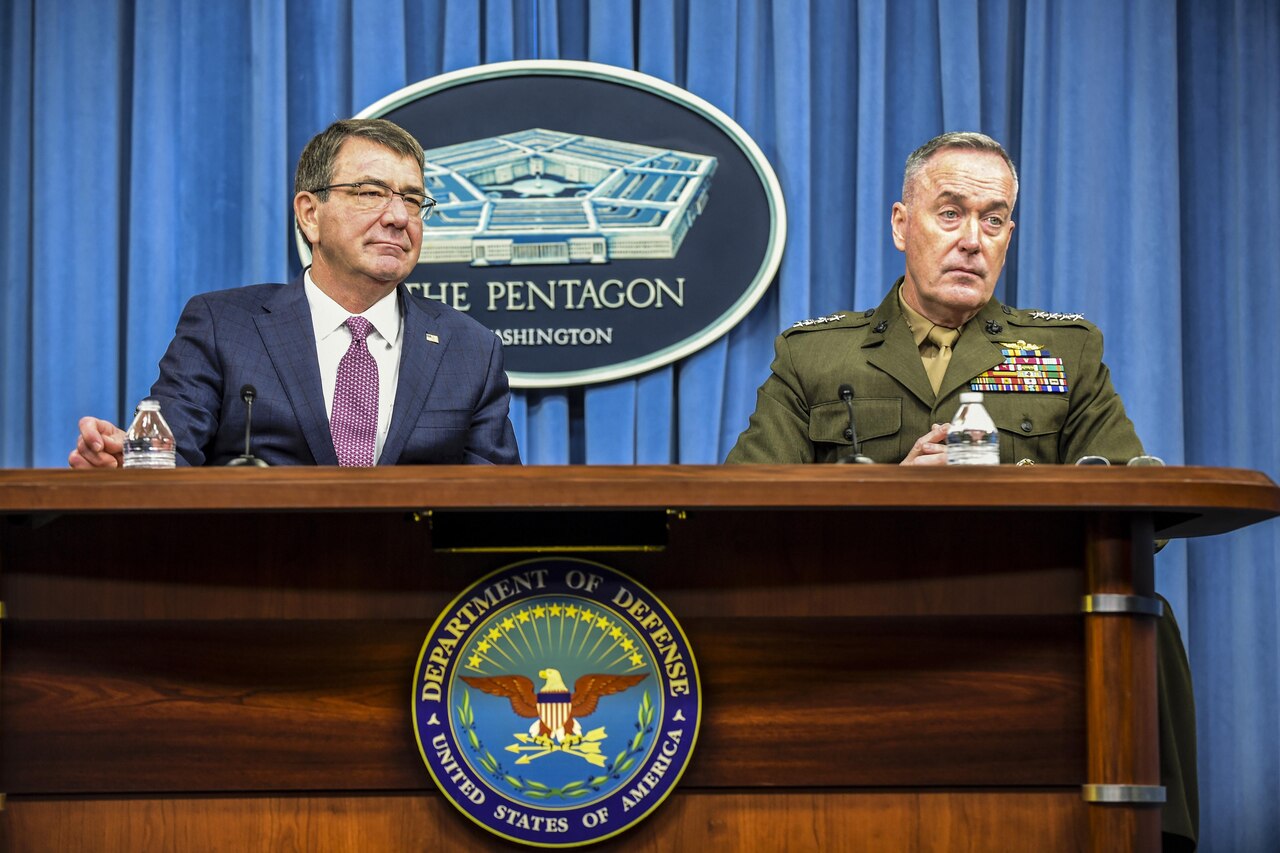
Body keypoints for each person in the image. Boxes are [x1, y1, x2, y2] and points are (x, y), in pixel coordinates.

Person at [727, 132, 1197, 851]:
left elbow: (1139, 504)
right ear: (900, 223)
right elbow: (747, 511)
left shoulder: (1062, 352)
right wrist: (886, 491)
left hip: (1024, 609)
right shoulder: (816, 354)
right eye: (951, 213)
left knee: (1141, 610)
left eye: (994, 218)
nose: (973, 239)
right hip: (862, 607)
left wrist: (1017, 487)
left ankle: (1148, 832)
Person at [69, 118, 519, 468]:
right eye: (370, 192)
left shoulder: (470, 350)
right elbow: (168, 459)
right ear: (309, 215)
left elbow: (496, 506)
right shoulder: (223, 327)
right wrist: (125, 465)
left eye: (413, 199)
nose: (399, 217)